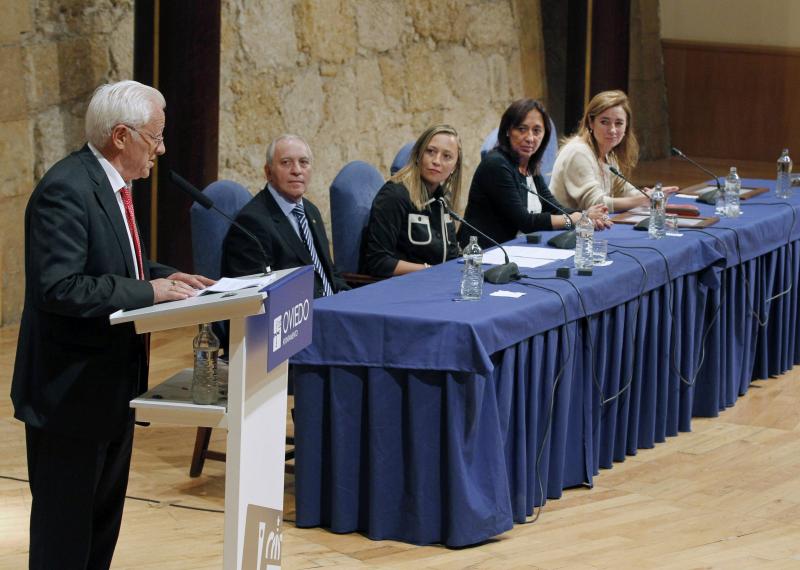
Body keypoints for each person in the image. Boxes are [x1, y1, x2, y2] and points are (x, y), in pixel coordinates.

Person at [11, 80, 214, 570]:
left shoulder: (111, 186)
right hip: (69, 398)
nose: (161, 149)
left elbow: (117, 266)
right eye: (155, 137)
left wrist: (167, 277)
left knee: (100, 531)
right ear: (121, 136)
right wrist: (150, 291)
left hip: (112, 392)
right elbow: (59, 287)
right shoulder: (67, 187)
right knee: (64, 541)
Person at [458, 99, 610, 249]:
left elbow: (552, 206)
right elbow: (525, 221)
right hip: (479, 255)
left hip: (512, 250)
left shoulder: (529, 165)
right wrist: (572, 219)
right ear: (507, 131)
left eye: (537, 131)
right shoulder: (496, 164)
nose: (530, 138)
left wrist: (586, 215)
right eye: (522, 129)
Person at [222, 134, 349, 298]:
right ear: (268, 172)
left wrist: (346, 295)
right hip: (300, 317)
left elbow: (328, 270)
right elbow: (254, 296)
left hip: (333, 307)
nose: (297, 171)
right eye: (286, 163)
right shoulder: (252, 222)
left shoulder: (311, 210)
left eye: (303, 162)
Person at [550, 89, 679, 212]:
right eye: (604, 122)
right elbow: (596, 203)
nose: (612, 130)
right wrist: (643, 199)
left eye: (618, 123)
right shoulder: (578, 152)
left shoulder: (609, 154)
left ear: (626, 126)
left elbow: (624, 191)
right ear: (591, 122)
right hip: (564, 230)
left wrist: (650, 195)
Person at [362, 125, 463, 277]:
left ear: (455, 166)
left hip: (434, 282)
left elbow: (451, 254)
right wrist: (430, 270)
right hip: (401, 288)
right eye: (430, 151)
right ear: (418, 154)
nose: (436, 161)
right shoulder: (394, 196)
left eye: (447, 156)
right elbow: (379, 261)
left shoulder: (442, 199)